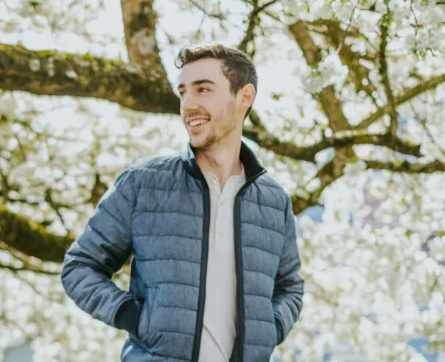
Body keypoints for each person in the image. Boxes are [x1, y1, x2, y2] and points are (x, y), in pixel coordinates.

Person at [61, 44, 304, 362]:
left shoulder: (273, 202)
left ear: (244, 96)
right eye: (183, 92)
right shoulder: (143, 183)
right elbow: (80, 267)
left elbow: (289, 287)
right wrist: (135, 319)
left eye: (203, 89)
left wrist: (269, 329)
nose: (189, 105)